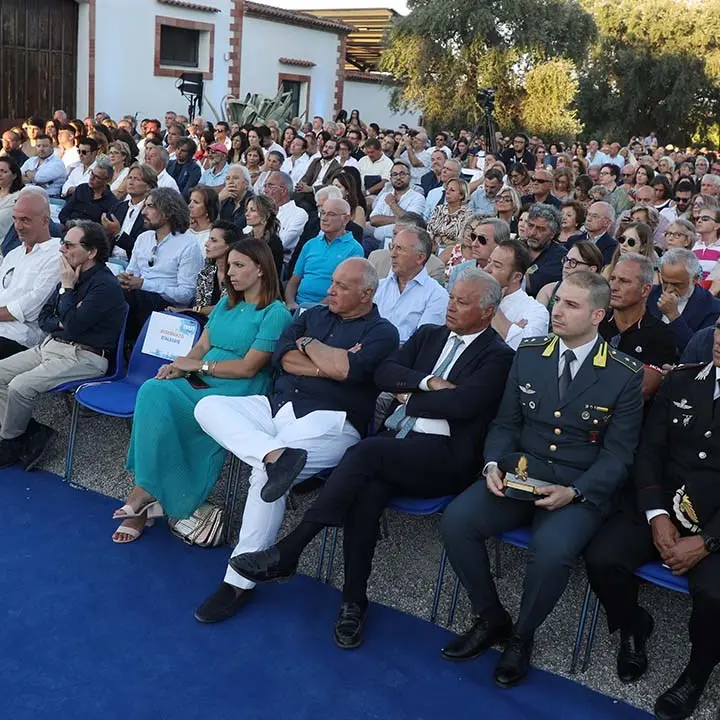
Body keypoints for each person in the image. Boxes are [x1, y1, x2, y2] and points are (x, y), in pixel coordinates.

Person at [225, 267, 514, 648]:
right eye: (451, 298)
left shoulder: (497, 355)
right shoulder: (430, 335)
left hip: (445, 459)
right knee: (366, 493)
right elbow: (384, 373)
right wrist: (425, 384)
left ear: (488, 311)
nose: (452, 307)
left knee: (365, 451)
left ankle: (291, 548)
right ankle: (352, 602)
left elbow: (463, 404)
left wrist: (408, 394)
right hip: (398, 444)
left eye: (463, 303)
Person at [439, 270, 643, 688]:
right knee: (457, 521)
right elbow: (505, 423)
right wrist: (492, 464)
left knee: (551, 552)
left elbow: (618, 455)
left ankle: (521, 636)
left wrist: (576, 491)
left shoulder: (624, 374)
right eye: (557, 301)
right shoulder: (530, 353)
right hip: (521, 471)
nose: (557, 311)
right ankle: (492, 616)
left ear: (598, 315)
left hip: (577, 485)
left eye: (571, 305)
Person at [191, 258, 399, 622]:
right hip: (278, 408)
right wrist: (321, 356)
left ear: (367, 293)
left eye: (342, 286)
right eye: (331, 282)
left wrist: (309, 350)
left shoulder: (382, 332)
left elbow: (347, 371)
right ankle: (273, 454)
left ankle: (237, 581)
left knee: (265, 478)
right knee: (208, 407)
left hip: (331, 420)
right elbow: (281, 358)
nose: (330, 290)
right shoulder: (311, 316)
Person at [113, 240, 292, 543]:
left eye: (239, 266)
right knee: (154, 390)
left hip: (240, 389)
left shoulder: (275, 313)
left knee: (169, 400)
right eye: (228, 266)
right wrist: (180, 365)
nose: (229, 273)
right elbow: (202, 346)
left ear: (261, 269)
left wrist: (197, 367)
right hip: (203, 377)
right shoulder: (226, 303)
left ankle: (144, 498)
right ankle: (146, 489)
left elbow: (249, 368)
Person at [583, 342, 720, 720]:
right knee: (602, 557)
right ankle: (633, 624)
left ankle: (697, 672)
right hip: (661, 504)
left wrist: (708, 542)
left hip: (714, 524)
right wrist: (657, 514)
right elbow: (649, 452)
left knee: (715, 596)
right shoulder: (682, 382)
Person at [0, 221, 125, 469]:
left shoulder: (104, 286)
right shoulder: (70, 273)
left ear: (91, 252)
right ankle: (30, 435)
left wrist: (67, 291)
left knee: (20, 386)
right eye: (62, 243)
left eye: (69, 245)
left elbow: (73, 326)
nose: (61, 250)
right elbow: (45, 318)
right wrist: (65, 316)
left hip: (85, 356)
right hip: (51, 346)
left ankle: (9, 442)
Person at [119, 187, 204, 342]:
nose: (143, 212)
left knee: (132, 297)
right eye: (145, 206)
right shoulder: (143, 238)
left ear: (167, 212)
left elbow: (185, 295)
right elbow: (132, 273)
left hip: (166, 306)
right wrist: (125, 279)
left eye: (150, 206)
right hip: (137, 299)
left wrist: (144, 284)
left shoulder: (188, 245)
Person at [600, 253, 678, 399]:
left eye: (624, 281)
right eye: (612, 279)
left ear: (645, 290)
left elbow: (642, 388)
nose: (614, 287)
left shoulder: (659, 334)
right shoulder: (595, 322)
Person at [0, 189, 62, 359]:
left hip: (19, 338)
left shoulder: (57, 254)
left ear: (45, 221)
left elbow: (33, 308)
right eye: (16, 219)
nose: (18, 226)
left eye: (25, 220)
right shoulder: (13, 255)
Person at [285, 198, 363, 310]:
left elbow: (344, 290)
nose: (324, 218)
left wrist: (314, 310)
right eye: (322, 213)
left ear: (345, 219)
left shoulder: (354, 249)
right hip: (298, 306)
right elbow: (294, 280)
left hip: (328, 310)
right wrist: (290, 302)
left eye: (331, 214)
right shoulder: (310, 244)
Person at [374, 226, 449, 343]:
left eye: (399, 249)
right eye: (392, 247)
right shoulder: (378, 286)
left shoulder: (437, 296)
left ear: (420, 258)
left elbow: (422, 343)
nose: (392, 254)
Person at [647, 248, 720, 353]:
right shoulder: (651, 294)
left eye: (677, 284)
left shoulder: (712, 307)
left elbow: (699, 352)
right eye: (665, 282)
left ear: (695, 279)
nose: (669, 289)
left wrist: (674, 316)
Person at [483, 239, 550, 350]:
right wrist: (511, 329)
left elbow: (525, 349)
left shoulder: (536, 311)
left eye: (497, 266)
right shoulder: (475, 297)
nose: (487, 269)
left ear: (516, 277)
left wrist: (494, 307)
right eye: (489, 262)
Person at [167, 220, 237, 322]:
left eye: (213, 240)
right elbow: (199, 308)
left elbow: (228, 306)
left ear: (228, 246)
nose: (206, 244)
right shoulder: (205, 272)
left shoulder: (238, 274)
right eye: (209, 239)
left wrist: (187, 310)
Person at [101, 163, 157, 268]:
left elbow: (142, 248)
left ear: (148, 186)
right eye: (129, 178)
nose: (131, 182)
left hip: (134, 265)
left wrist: (118, 234)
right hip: (109, 261)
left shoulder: (152, 212)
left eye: (137, 179)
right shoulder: (118, 207)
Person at [536, 241, 604, 325]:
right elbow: (537, 324)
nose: (566, 265)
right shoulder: (548, 290)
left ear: (591, 269)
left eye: (573, 262)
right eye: (566, 260)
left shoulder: (599, 297)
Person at [368, 213, 446, 284]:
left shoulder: (435, 267)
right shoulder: (376, 258)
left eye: (403, 235)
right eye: (395, 233)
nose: (396, 239)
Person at [368, 160, 425, 251]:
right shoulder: (385, 196)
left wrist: (392, 203)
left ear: (409, 177)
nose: (398, 177)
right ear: (390, 178)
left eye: (402, 174)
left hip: (403, 242)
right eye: (394, 174)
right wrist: (398, 219)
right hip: (376, 240)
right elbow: (374, 220)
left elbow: (411, 222)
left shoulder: (418, 198)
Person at [447, 217, 509, 290]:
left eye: (482, 239)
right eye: (474, 237)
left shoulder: (511, 276)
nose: (474, 244)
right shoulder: (459, 270)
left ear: (500, 244)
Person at [263, 171, 308, 265]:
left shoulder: (298, 214)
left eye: (270, 186)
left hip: (278, 263)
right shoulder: (262, 211)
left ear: (283, 190)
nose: (265, 190)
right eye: (265, 186)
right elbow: (246, 233)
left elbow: (281, 244)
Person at [523, 204, 568, 297]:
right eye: (530, 226)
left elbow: (534, 285)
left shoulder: (560, 255)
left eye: (541, 229)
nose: (532, 233)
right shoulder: (517, 246)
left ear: (552, 233)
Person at [59, 160, 118, 226]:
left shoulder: (112, 202)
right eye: (92, 173)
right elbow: (63, 214)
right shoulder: (81, 189)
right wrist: (69, 224)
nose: (91, 178)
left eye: (97, 177)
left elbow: (104, 229)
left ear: (107, 180)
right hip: (69, 227)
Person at [426, 178, 472, 252]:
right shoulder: (439, 209)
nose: (447, 192)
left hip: (452, 251)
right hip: (432, 249)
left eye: (452, 190)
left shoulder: (467, 215)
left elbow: (461, 240)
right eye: (447, 189)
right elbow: (429, 231)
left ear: (461, 195)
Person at [566, 201, 618, 266]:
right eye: (588, 214)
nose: (588, 219)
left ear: (607, 222)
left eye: (595, 216)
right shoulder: (573, 240)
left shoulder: (612, 247)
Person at [217, 164, 253, 231]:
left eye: (235, 178)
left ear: (246, 184)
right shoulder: (224, 198)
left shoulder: (253, 202)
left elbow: (237, 227)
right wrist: (218, 199)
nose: (230, 182)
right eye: (228, 179)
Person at [188, 185, 219, 254]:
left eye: (196, 202)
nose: (190, 205)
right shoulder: (185, 230)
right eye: (190, 201)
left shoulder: (213, 235)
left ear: (208, 208)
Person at [0, 157, 23, 242]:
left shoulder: (18, 197)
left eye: (4, 172)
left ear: (14, 175)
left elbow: (2, 222)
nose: (0, 174)